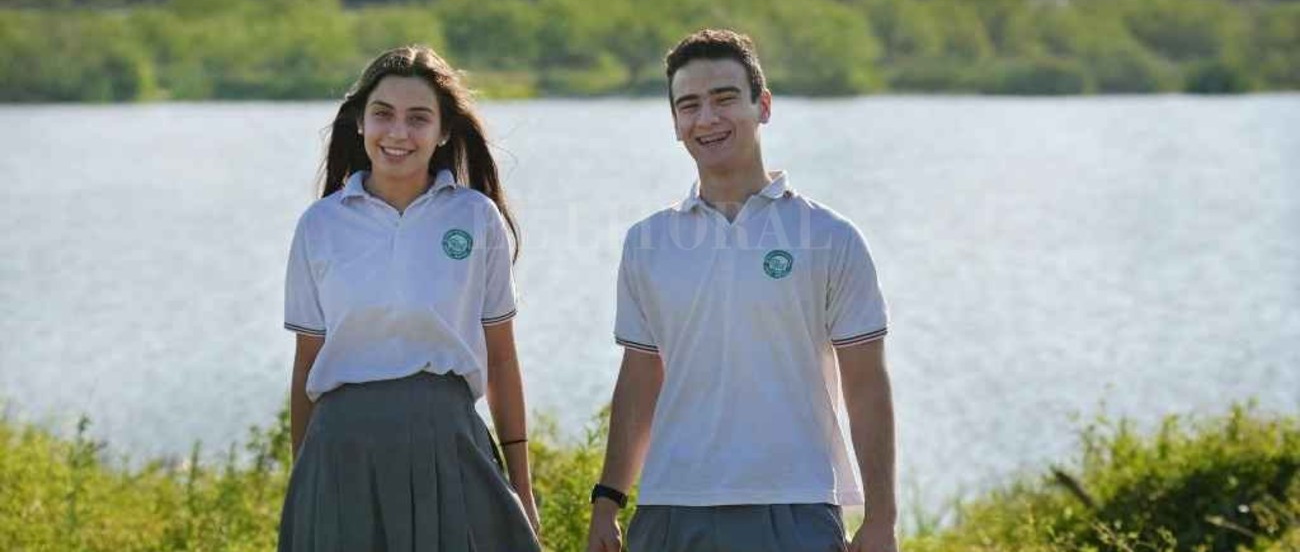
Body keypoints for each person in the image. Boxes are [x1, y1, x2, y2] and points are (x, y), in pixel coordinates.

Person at [586, 29, 898, 552]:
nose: (706, 119)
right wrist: (607, 500)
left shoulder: (828, 238)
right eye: (689, 105)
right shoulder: (648, 242)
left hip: (795, 506)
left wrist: (882, 519)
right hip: (669, 509)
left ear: (764, 106)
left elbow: (867, 386)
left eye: (725, 98)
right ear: (675, 123)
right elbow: (641, 378)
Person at [278, 45, 541, 552]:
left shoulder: (474, 217)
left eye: (418, 118)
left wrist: (522, 488)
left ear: (443, 132)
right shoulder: (320, 226)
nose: (398, 133)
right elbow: (306, 365)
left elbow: (502, 359)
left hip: (449, 444)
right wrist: (304, 486)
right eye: (383, 114)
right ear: (359, 122)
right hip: (341, 454)